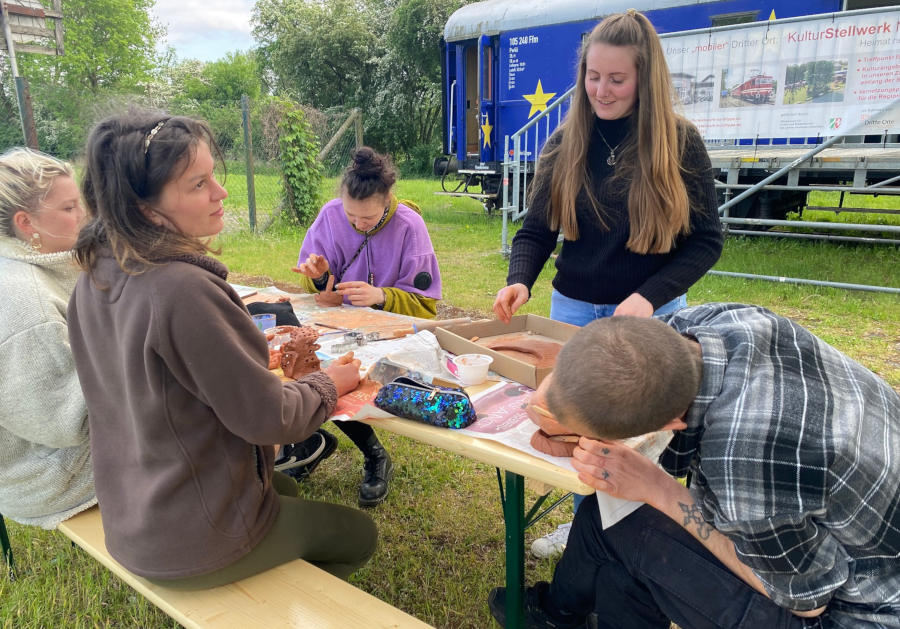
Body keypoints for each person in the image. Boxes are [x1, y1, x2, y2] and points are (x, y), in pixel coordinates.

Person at [67, 110, 376, 587]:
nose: (221, 193)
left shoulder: (95, 275)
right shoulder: (182, 290)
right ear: (146, 209)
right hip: (192, 539)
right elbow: (271, 418)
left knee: (286, 485)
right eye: (198, 185)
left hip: (134, 513)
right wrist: (327, 385)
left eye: (214, 176)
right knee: (359, 535)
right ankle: (271, 605)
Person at [488, 303, 900, 628]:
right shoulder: (715, 324)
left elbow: (808, 601)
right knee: (614, 523)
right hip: (848, 523)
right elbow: (609, 357)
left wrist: (661, 490)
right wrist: (551, 406)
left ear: (669, 426)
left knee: (629, 526)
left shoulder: (744, 463)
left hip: (854, 609)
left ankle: (558, 615)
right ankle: (560, 613)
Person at [493, 9, 724, 559]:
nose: (601, 90)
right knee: (581, 432)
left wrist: (648, 297)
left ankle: (644, 540)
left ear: (646, 78)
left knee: (645, 439)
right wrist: (519, 280)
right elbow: (535, 228)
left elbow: (706, 241)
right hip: (572, 309)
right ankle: (584, 533)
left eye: (616, 79)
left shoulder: (680, 143)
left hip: (652, 318)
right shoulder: (566, 139)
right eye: (593, 77)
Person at [281, 146, 443, 507]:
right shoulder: (330, 214)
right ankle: (311, 441)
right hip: (338, 326)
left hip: (391, 334)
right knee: (306, 363)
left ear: (388, 201)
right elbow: (317, 287)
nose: (357, 224)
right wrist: (319, 276)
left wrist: (381, 296)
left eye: (367, 219)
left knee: (349, 377)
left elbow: (427, 307)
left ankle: (373, 457)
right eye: (351, 216)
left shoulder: (410, 226)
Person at [0, 147, 96, 530]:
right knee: (197, 414)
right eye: (69, 208)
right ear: (26, 223)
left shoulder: (41, 263)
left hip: (49, 455)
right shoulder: (27, 303)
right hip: (48, 477)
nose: (83, 215)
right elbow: (69, 424)